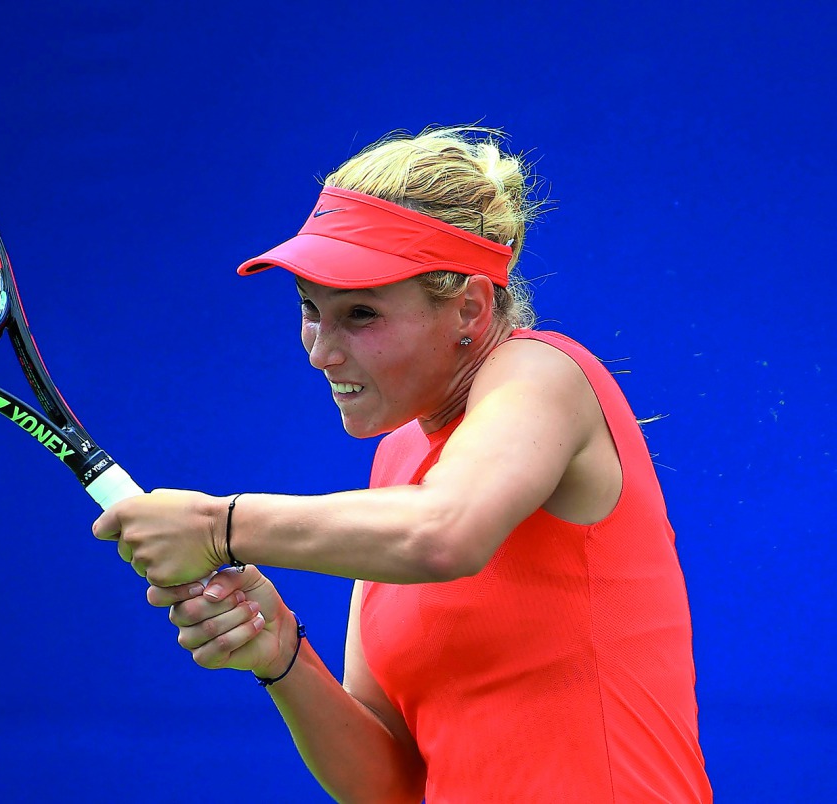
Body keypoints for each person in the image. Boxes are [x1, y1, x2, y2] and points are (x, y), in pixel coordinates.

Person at [92, 126, 711, 803]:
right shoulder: (400, 461)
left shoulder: (543, 372)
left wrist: (220, 524)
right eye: (310, 310)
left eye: (361, 314)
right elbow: (390, 785)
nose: (320, 352)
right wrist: (282, 656)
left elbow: (442, 533)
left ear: (470, 307)